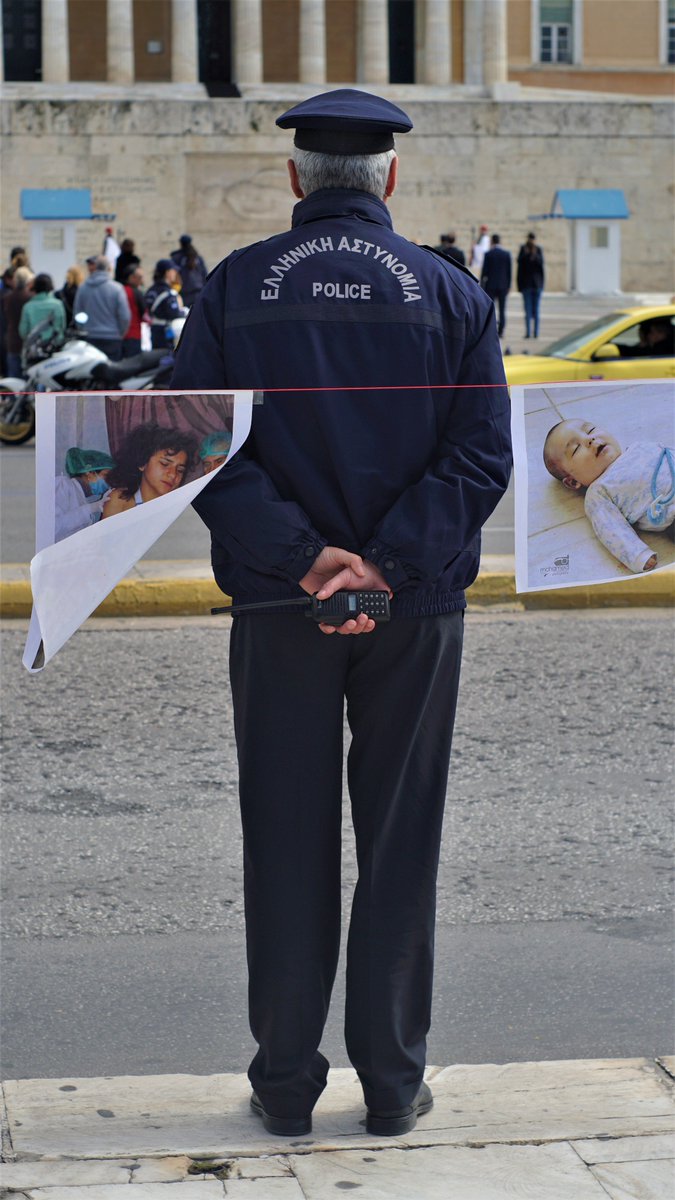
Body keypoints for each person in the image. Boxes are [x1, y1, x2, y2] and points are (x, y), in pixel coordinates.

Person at [171, 88, 511, 1140]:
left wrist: (306, 558)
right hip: (416, 615)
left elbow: (190, 449)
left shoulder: (231, 292)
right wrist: (385, 567)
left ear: (294, 179)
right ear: (391, 180)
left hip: (279, 609)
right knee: (400, 842)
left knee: (284, 840)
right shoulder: (453, 295)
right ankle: (394, 1083)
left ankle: (284, 1084)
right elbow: (483, 457)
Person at [543, 417, 675, 573]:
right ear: (572, 482)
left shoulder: (637, 447)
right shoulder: (598, 492)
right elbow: (612, 529)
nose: (590, 439)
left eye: (590, 430)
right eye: (576, 448)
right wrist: (637, 555)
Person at [101, 423, 197, 518]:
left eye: (180, 470)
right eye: (165, 464)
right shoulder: (119, 500)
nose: (173, 475)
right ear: (142, 463)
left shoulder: (180, 509)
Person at [73, 256, 130, 360]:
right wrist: (120, 333)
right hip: (112, 337)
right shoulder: (117, 288)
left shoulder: (83, 288)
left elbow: (78, 313)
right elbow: (125, 316)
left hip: (90, 337)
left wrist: (83, 328)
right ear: (109, 269)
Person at [55, 447, 116, 542]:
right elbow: (55, 527)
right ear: (89, 473)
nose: (109, 482)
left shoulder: (82, 497)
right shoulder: (63, 485)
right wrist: (91, 508)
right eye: (106, 475)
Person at [144, 260, 189, 351]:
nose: (175, 273)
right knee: (165, 358)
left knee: (156, 357)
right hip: (165, 332)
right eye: (173, 270)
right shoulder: (168, 293)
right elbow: (174, 313)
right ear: (167, 272)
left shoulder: (150, 290)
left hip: (154, 329)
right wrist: (185, 311)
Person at [18, 273, 66, 349]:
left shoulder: (28, 307)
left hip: (34, 349)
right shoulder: (58, 305)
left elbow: (23, 332)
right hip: (54, 349)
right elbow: (62, 327)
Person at [2, 266, 34, 377]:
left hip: (12, 342)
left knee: (14, 381)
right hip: (28, 343)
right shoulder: (31, 298)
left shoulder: (7, 298)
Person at [480, 234, 512, 338]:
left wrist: (482, 286)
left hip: (491, 285)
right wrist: (508, 285)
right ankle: (501, 330)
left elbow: (484, 272)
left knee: (491, 309)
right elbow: (509, 272)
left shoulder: (488, 254)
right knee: (502, 309)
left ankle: (491, 329)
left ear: (492, 242)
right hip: (503, 286)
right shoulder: (506, 254)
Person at [517, 232, 545, 339]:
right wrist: (527, 254)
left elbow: (541, 265)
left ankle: (536, 333)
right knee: (527, 310)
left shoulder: (538, 250)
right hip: (526, 285)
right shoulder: (523, 249)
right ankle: (528, 332)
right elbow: (520, 267)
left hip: (536, 284)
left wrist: (534, 254)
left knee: (536, 310)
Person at [170, 234, 208, 307]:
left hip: (184, 293)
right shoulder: (197, 258)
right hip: (198, 292)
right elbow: (205, 275)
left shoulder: (176, 258)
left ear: (181, 243)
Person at [121, 264, 146, 357]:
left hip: (119, 335)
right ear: (131, 277)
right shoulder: (136, 293)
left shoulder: (118, 290)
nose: (142, 281)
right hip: (134, 334)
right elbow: (145, 314)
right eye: (140, 277)